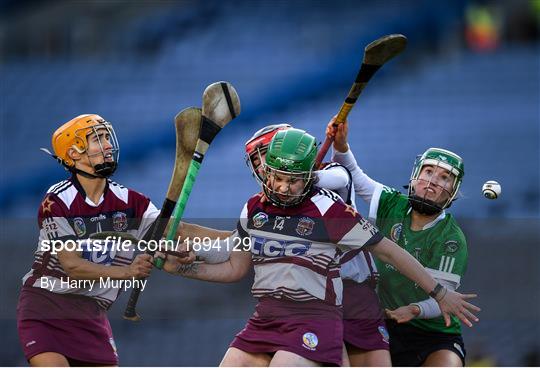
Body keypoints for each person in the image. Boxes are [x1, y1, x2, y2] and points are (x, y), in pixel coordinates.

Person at [162, 128, 479, 367]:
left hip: (350, 300)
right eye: (268, 170)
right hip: (273, 313)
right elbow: (235, 258)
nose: (277, 183)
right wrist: (186, 263)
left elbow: (381, 238)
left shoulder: (329, 193)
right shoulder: (256, 208)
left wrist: (437, 292)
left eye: (291, 177)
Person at [16, 114, 160, 366]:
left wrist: (232, 236)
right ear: (73, 153)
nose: (107, 145)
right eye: (97, 139)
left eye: (106, 137)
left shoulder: (128, 200)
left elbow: (174, 230)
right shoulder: (58, 200)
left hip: (91, 315)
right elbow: (72, 265)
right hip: (46, 308)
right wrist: (129, 271)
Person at [329, 117, 473, 366]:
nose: (432, 183)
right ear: (415, 175)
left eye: (444, 178)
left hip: (434, 334)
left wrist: (415, 310)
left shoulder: (451, 238)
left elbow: (444, 299)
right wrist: (341, 146)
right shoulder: (390, 202)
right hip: (382, 323)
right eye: (429, 172)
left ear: (453, 192)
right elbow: (352, 174)